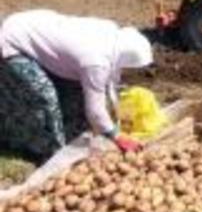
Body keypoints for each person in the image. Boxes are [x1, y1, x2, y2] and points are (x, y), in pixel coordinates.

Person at [0, 10, 152, 162]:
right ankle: (51, 153)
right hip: (16, 38)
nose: (129, 70)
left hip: (39, 30)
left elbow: (107, 85)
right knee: (45, 97)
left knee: (76, 94)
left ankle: (72, 138)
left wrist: (114, 125)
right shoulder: (96, 61)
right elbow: (95, 111)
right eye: (131, 66)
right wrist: (117, 136)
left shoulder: (114, 41)